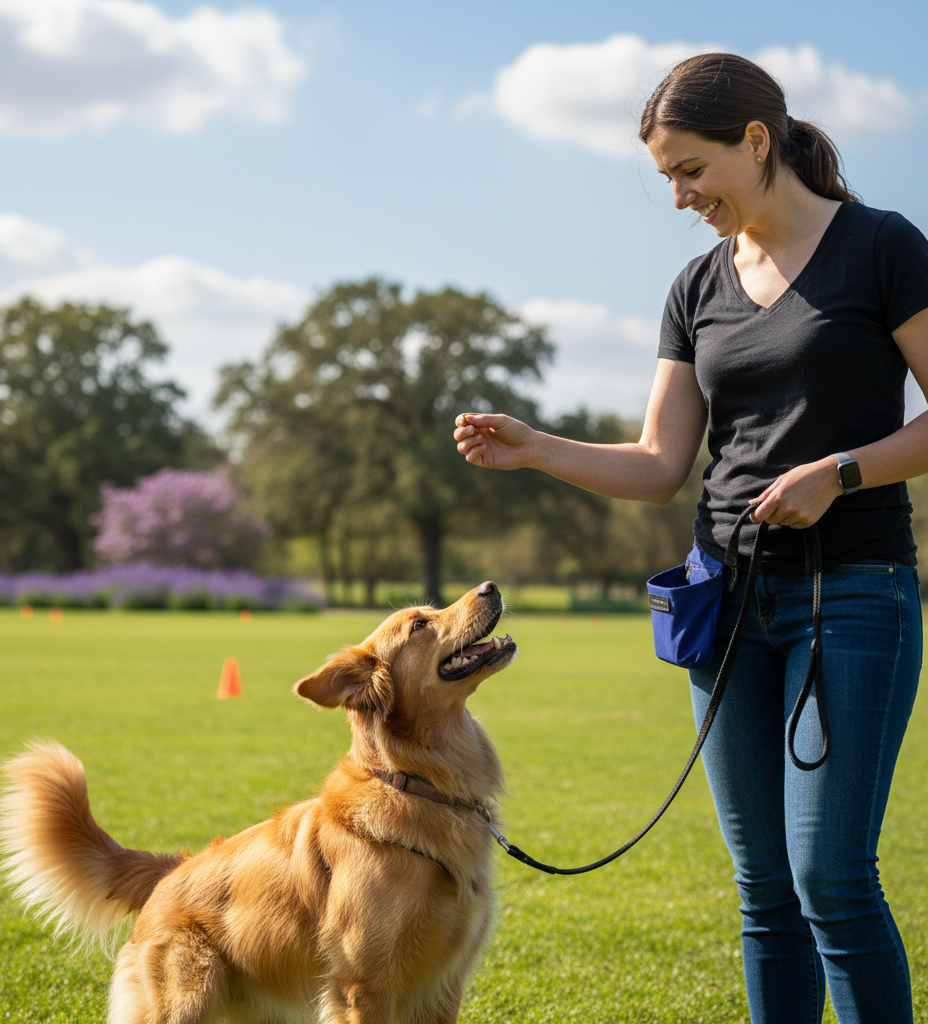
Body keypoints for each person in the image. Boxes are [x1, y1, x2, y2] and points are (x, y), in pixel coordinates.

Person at [454, 53, 928, 1024]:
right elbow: (660, 463)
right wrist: (538, 448)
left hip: (854, 591)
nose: (676, 196)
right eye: (665, 176)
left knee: (829, 876)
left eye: (690, 170)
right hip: (725, 605)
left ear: (756, 142)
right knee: (764, 894)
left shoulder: (881, 247)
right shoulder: (695, 285)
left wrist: (840, 473)